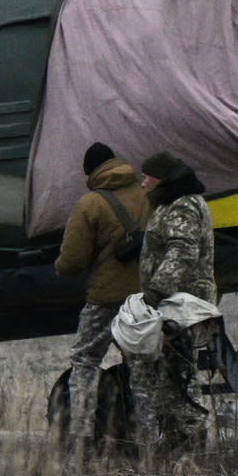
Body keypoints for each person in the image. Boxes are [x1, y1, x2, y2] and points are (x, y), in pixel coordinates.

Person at [53, 141, 150, 440]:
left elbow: (71, 262)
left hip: (105, 300)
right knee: (141, 368)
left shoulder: (90, 204)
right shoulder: (147, 197)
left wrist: (58, 266)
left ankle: (80, 435)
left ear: (90, 172)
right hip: (144, 301)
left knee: (85, 361)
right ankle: (148, 437)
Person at [135, 157, 217, 454]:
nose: (143, 184)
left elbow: (182, 251)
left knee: (181, 376)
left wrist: (155, 293)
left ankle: (191, 447)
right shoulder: (172, 204)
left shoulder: (182, 205)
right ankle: (177, 446)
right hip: (175, 305)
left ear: (164, 181)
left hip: (180, 307)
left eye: (148, 178)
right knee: (170, 374)